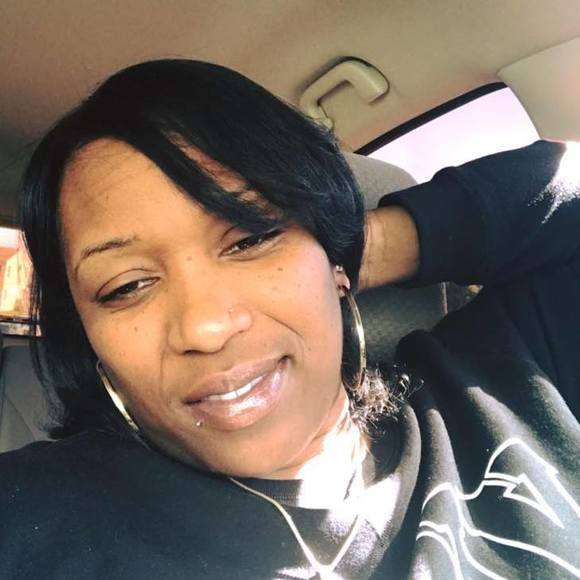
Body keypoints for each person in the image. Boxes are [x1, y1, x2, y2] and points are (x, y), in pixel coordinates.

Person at [0, 59, 578, 580]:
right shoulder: (34, 515)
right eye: (126, 286)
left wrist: (357, 245)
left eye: (251, 237)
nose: (207, 328)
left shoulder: (511, 377)